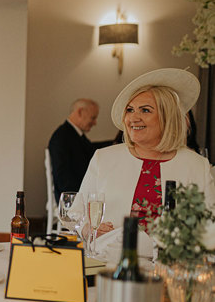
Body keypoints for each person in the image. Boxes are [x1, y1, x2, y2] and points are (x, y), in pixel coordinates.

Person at [78, 68, 215, 254]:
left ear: (167, 117)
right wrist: (88, 229)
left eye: (145, 110)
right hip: (110, 260)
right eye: (130, 110)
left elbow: (209, 226)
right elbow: (77, 214)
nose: (133, 118)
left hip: (170, 264)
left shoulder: (196, 165)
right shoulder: (104, 158)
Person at [48, 98, 102, 202]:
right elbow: (63, 178)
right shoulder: (62, 137)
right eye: (93, 117)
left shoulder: (73, 134)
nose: (95, 122)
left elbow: (91, 149)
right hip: (72, 198)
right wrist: (81, 199)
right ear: (80, 112)